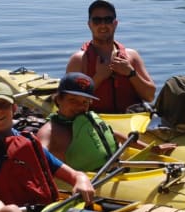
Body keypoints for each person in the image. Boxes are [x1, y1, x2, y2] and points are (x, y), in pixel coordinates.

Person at [0, 81, 95, 212]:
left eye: (3, 105)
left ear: (13, 109)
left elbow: (74, 175)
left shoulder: (28, 143)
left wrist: (82, 180)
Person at [35, 72, 174, 172]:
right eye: (73, 100)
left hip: (114, 168)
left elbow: (114, 134)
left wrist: (153, 149)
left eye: (85, 102)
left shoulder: (87, 120)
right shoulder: (50, 131)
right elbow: (38, 159)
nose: (79, 106)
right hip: (88, 178)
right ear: (59, 99)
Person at [65, 0, 157, 113]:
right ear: (89, 25)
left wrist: (131, 73)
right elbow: (68, 104)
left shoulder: (132, 56)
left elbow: (150, 96)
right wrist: (99, 77)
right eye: (97, 20)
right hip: (95, 123)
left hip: (132, 120)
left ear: (115, 24)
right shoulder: (79, 60)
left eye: (107, 20)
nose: (103, 25)